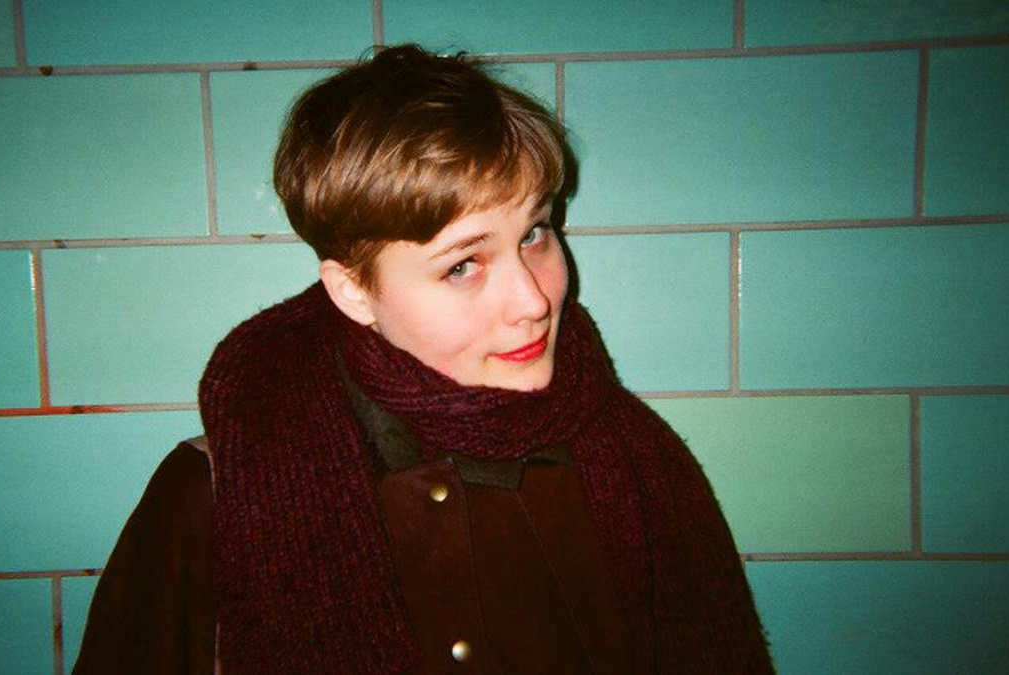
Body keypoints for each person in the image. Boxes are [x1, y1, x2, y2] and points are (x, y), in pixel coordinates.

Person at [72, 44, 773, 674]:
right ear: (354, 292)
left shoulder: (634, 460)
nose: (532, 301)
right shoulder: (212, 493)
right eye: (463, 264)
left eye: (535, 233)